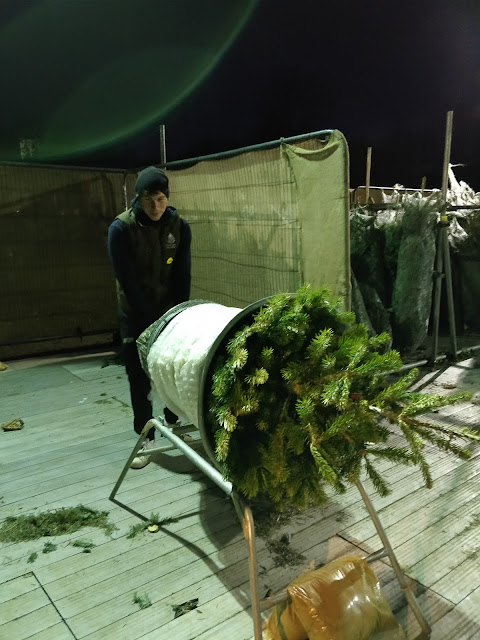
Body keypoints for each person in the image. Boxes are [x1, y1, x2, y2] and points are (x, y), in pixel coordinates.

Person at [108, 166, 191, 468]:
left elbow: (183, 276)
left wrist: (180, 315)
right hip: (135, 313)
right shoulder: (121, 229)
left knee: (171, 367)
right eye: (148, 200)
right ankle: (146, 435)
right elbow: (127, 281)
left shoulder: (179, 226)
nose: (155, 207)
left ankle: (172, 419)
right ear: (137, 199)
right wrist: (149, 321)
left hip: (169, 313)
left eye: (160, 199)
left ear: (167, 197)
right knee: (139, 375)